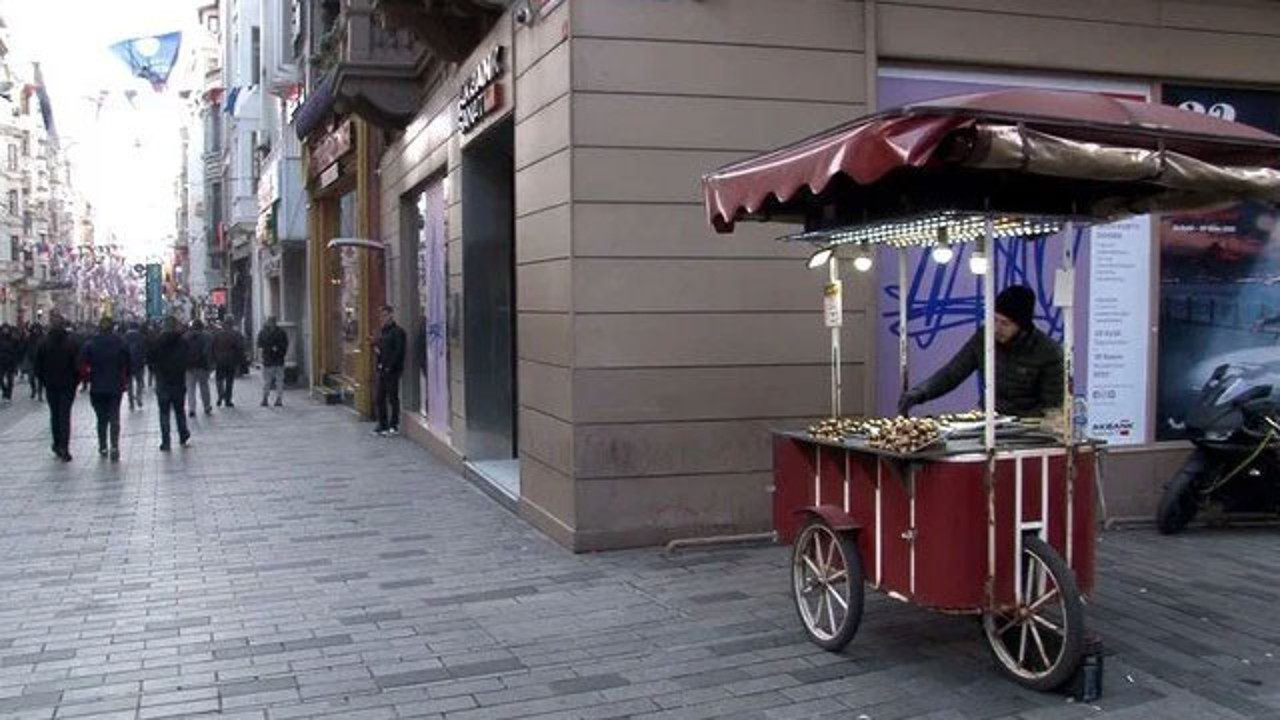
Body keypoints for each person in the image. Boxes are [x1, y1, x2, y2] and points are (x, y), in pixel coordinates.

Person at [898, 285, 1064, 418]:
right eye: (995, 320)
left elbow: (1052, 408)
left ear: (1022, 326)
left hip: (1028, 432)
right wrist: (919, 393)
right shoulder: (984, 338)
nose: (997, 328)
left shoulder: (1049, 353)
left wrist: (1018, 421)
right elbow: (953, 373)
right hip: (987, 419)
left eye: (1005, 323)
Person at [80, 316, 131, 460]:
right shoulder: (120, 342)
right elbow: (127, 362)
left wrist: (87, 379)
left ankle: (103, 446)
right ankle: (114, 445)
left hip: (97, 386)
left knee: (101, 418)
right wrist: (126, 379)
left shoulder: (90, 344)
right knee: (114, 416)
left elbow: (82, 364)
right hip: (115, 385)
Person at [33, 312, 80, 461]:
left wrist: (44, 381)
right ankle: (64, 447)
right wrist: (75, 382)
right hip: (67, 385)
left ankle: (57, 444)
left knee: (55, 415)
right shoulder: (71, 342)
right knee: (65, 416)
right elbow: (77, 365)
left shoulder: (44, 343)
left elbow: (38, 366)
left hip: (51, 385)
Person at [149, 316, 192, 451]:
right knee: (179, 410)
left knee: (164, 412)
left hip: (163, 381)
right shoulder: (183, 341)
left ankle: (166, 441)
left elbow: (151, 360)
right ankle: (183, 434)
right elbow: (187, 359)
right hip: (178, 380)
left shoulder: (157, 342)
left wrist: (156, 371)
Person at [371, 305, 407, 437]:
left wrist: (390, 366)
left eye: (385, 315)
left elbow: (399, 352)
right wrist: (376, 348)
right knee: (379, 398)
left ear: (391, 315)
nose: (383, 318)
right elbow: (381, 349)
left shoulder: (398, 332)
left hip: (392, 370)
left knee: (392, 397)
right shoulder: (382, 332)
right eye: (381, 316)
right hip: (382, 369)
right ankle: (382, 424)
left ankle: (394, 425)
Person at [211, 316, 246, 407]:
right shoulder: (236, 334)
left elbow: (213, 347)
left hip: (219, 360)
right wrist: (240, 361)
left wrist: (213, 359)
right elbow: (240, 348)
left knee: (219, 379)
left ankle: (220, 395)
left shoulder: (217, 334)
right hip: (231, 360)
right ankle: (227, 399)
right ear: (232, 323)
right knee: (229, 381)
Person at [184, 318, 214, 416]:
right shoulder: (207, 336)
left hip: (189, 366)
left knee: (190, 388)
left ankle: (192, 408)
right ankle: (207, 406)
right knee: (204, 386)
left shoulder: (186, 336)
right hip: (203, 365)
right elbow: (209, 351)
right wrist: (211, 365)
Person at [257, 316, 288, 407]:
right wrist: (279, 351)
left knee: (269, 381)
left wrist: (272, 350)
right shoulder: (281, 332)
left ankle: (267, 399)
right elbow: (285, 345)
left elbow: (260, 345)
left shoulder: (263, 332)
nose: (271, 323)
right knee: (277, 381)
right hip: (275, 360)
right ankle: (275, 399)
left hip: (270, 360)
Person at [124, 322, 148, 410]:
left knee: (129, 383)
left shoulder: (125, 337)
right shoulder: (141, 336)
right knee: (139, 381)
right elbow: (144, 349)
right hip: (139, 362)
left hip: (128, 363)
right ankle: (139, 397)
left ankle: (131, 402)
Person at [25, 321, 44, 401]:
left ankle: (40, 394)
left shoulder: (43, 337)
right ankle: (33, 389)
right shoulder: (30, 338)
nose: (35, 330)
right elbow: (25, 347)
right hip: (31, 359)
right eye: (34, 329)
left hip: (41, 360)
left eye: (37, 328)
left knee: (40, 378)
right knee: (31, 377)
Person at [0, 323, 18, 404]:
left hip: (11, 362)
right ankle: (4, 390)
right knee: (0, 378)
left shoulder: (13, 339)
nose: (5, 330)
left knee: (10, 379)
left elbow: (17, 350)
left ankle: (8, 395)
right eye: (4, 328)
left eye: (6, 328)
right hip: (1, 361)